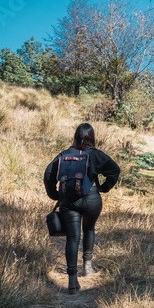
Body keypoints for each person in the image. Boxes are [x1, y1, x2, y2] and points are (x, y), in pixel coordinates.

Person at [43, 123, 121, 294]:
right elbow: (115, 170)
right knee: (89, 229)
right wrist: (104, 187)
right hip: (92, 200)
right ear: (92, 137)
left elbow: (48, 174)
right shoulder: (96, 155)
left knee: (72, 237)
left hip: (69, 201)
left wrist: (55, 195)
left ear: (75, 136)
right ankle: (88, 266)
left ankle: (72, 280)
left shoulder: (64, 155)